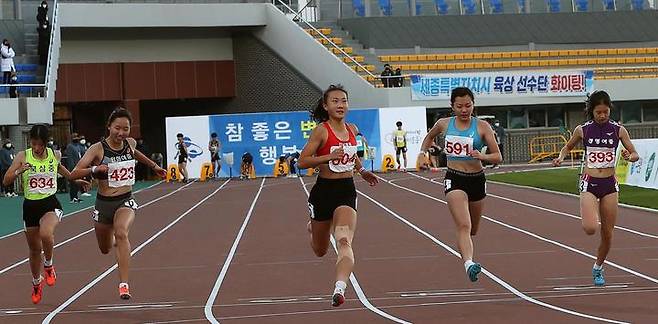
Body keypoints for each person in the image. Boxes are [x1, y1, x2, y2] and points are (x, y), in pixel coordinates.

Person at [69, 108, 166, 299]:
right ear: (109, 127)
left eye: (126, 129)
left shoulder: (129, 143)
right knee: (105, 248)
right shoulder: (97, 148)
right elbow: (74, 173)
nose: (121, 133)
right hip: (103, 204)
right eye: (117, 128)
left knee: (122, 232)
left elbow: (135, 153)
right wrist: (96, 169)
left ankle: (124, 284)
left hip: (125, 199)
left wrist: (154, 166)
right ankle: (113, 239)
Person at [298, 84, 378, 307]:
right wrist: (328, 157)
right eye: (335, 101)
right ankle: (311, 227)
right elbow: (302, 161)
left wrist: (362, 171)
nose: (340, 105)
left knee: (344, 240)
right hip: (323, 192)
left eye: (344, 100)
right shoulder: (322, 131)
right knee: (320, 250)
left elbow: (351, 155)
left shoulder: (352, 129)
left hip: (346, 191)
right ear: (326, 105)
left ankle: (339, 288)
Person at [553, 90, 638, 286]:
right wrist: (561, 157)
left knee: (608, 235)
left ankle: (598, 267)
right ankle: (590, 212)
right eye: (598, 112)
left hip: (609, 185)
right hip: (590, 183)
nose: (602, 116)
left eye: (605, 112)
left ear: (610, 110)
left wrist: (629, 156)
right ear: (591, 111)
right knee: (590, 228)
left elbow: (634, 153)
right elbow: (568, 147)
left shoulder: (619, 130)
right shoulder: (583, 130)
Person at [420, 87, 502, 283]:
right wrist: (422, 154)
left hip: (477, 179)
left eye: (468, 105)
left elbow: (497, 156)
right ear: (452, 106)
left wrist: (482, 156)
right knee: (463, 225)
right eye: (459, 106)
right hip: (454, 178)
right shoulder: (443, 124)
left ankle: (468, 255)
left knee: (473, 229)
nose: (464, 110)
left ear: (473, 105)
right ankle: (469, 263)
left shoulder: (482, 126)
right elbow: (429, 137)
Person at [2, 125, 89, 304]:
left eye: (40, 144)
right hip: (30, 206)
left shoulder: (54, 154)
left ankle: (48, 265)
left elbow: (62, 170)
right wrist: (20, 171)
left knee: (46, 233)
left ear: (45, 143)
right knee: (34, 250)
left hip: (50, 203)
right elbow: (6, 180)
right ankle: (36, 282)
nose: (36, 148)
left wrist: (76, 179)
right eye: (33, 144)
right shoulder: (22, 156)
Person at [65, 133, 84, 203]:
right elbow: (70, 158)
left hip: (79, 166)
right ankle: (72, 198)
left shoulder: (78, 146)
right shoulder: (70, 146)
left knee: (77, 184)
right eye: (74, 138)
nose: (76, 139)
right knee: (73, 183)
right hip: (73, 167)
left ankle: (76, 196)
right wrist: (72, 168)